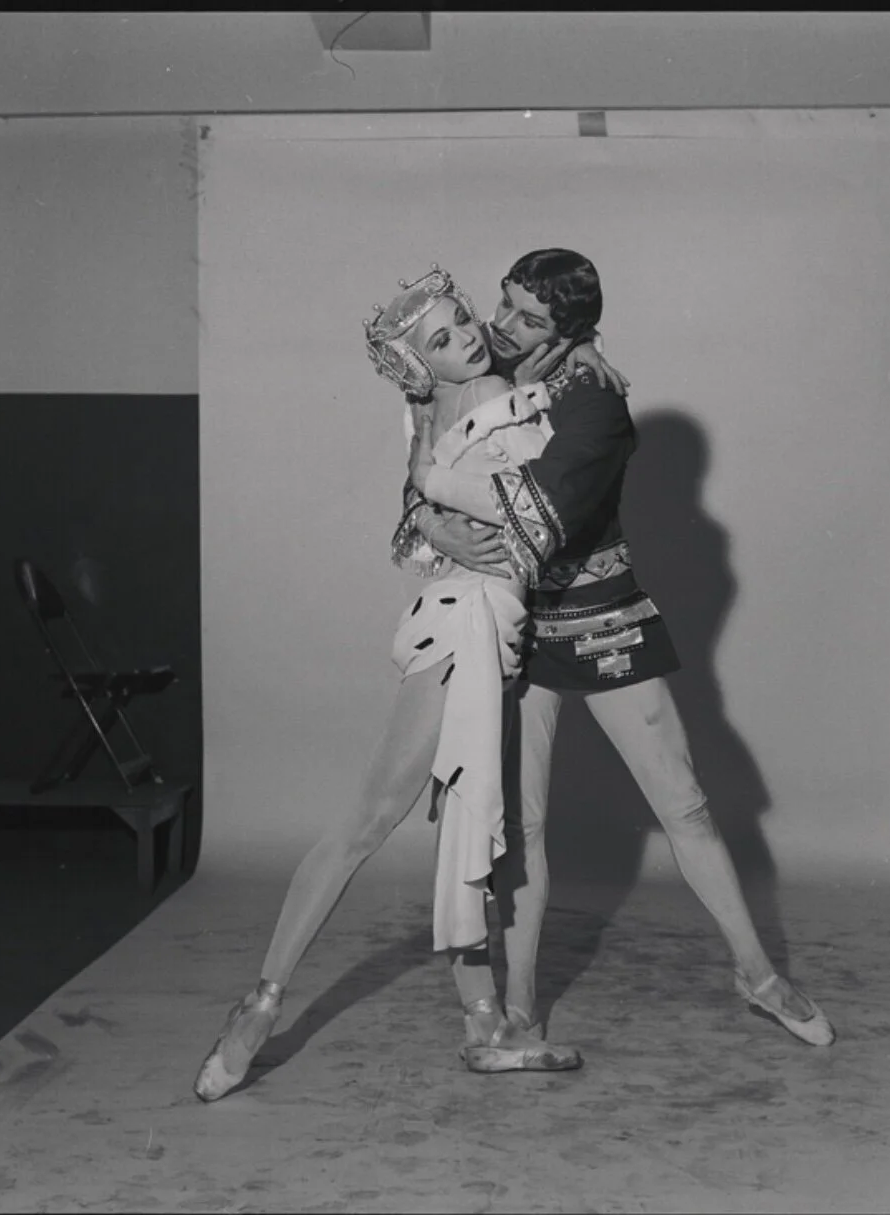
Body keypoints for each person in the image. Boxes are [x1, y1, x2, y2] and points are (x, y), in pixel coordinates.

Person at [397, 248, 836, 1048]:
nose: (502, 327)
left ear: (572, 329)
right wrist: (424, 510)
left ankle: (758, 974)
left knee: (687, 805)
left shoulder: (596, 402)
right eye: (504, 305)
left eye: (530, 318)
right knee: (519, 830)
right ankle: (522, 1002)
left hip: (600, 617)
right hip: (516, 621)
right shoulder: (509, 349)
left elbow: (525, 510)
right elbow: (427, 396)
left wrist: (432, 488)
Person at [193, 265, 600, 1104]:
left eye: (461, 320)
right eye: (443, 340)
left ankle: (482, 1022)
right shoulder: (490, 388)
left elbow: (422, 526)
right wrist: (455, 515)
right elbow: (501, 507)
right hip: (466, 623)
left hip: (475, 617)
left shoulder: (435, 408)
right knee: (374, 819)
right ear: (425, 367)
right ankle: (260, 1005)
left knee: (458, 827)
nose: (469, 338)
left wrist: (438, 509)